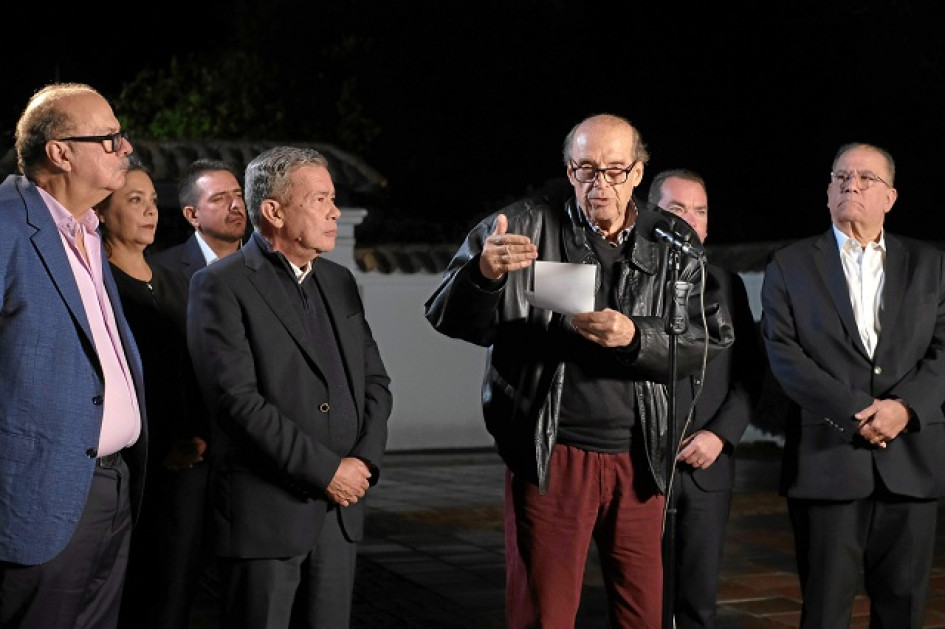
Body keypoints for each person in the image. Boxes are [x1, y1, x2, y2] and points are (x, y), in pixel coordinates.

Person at [424, 113, 734, 628]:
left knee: (643, 614)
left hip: (640, 458)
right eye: (586, 169)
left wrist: (636, 337)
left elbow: (709, 337)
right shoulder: (522, 225)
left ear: (638, 173)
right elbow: (445, 316)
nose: (600, 184)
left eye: (615, 170)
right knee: (544, 613)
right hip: (552, 454)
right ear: (569, 171)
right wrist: (484, 273)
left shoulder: (673, 239)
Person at [186, 145, 393, 628]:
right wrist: (326, 470)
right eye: (320, 199)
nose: (335, 212)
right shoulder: (221, 284)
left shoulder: (339, 281)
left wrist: (364, 462)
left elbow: (375, 382)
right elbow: (237, 402)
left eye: (333, 199)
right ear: (274, 211)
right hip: (265, 516)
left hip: (339, 515)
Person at [761, 142, 945, 628]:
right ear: (827, 192)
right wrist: (855, 413)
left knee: (903, 610)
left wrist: (904, 408)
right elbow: (784, 354)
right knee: (825, 611)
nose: (852, 186)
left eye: (866, 178)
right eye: (841, 177)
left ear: (891, 197)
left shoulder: (931, 263)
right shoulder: (790, 264)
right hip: (827, 461)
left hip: (911, 462)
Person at [0, 83, 147, 628]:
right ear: (61, 153)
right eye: (108, 138)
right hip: (38, 495)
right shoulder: (6, 225)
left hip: (112, 485)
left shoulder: (85, 228)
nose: (124, 147)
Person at [92, 159, 206, 628]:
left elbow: (197, 367)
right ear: (101, 212)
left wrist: (198, 435)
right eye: (134, 200)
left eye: (153, 201)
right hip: (131, 463)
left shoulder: (178, 281)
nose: (150, 211)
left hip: (189, 459)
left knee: (175, 591)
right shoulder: (98, 285)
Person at [647, 169, 764, 628]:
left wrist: (720, 435)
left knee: (699, 600)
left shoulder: (727, 284)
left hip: (708, 467)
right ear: (651, 215)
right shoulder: (630, 280)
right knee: (641, 599)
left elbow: (751, 372)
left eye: (700, 211)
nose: (690, 220)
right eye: (677, 209)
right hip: (642, 466)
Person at [145, 157, 248, 624]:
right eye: (220, 198)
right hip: (192, 456)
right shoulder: (161, 271)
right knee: (173, 588)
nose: (235, 205)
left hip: (256, 458)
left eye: (238, 195)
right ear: (191, 214)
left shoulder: (270, 268)